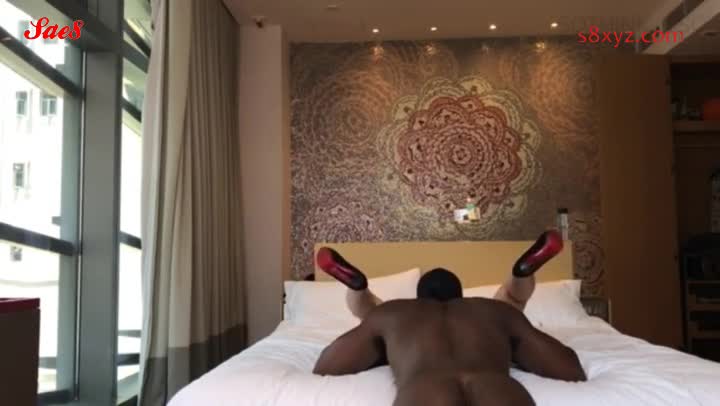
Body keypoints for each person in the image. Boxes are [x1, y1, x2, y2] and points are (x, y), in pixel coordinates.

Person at [312, 230, 586, 406]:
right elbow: (568, 369)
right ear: (460, 296)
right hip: (500, 394)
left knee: (369, 313)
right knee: (512, 301)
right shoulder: (496, 311)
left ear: (419, 298)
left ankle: (357, 288)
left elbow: (328, 366)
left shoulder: (392, 313)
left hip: (424, 394)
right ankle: (521, 273)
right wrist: (510, 345)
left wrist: (385, 347)